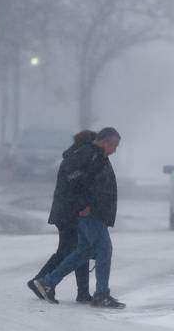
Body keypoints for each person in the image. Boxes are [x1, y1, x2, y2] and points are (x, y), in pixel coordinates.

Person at [32, 127, 124, 309]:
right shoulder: (90, 155)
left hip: (93, 212)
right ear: (106, 142)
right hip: (91, 213)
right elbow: (74, 182)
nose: (115, 150)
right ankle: (101, 295)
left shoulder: (95, 155)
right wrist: (84, 205)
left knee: (83, 252)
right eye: (114, 145)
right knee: (104, 249)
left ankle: (48, 282)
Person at [28, 130, 95, 303]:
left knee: (78, 250)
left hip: (65, 212)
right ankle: (40, 281)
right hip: (70, 213)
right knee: (70, 251)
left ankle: (81, 292)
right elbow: (76, 185)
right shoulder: (77, 159)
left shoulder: (73, 156)